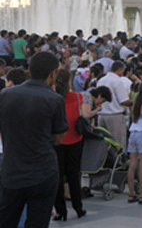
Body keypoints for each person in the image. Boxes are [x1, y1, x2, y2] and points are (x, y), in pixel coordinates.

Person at [0, 52, 68, 228]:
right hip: (43, 171)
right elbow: (59, 138)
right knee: (38, 221)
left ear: (29, 70)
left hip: (12, 170)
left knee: (6, 220)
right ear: (53, 73)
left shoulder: (5, 95)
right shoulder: (55, 99)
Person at [52, 69, 87, 221]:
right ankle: (78, 207)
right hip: (75, 139)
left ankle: (60, 210)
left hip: (57, 141)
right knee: (74, 174)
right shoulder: (77, 97)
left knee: (58, 176)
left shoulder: (53, 98)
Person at [97, 60, 132, 149]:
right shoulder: (117, 81)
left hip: (101, 114)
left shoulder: (101, 80)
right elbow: (123, 100)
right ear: (119, 70)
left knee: (104, 143)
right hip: (114, 115)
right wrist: (134, 102)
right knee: (118, 143)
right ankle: (119, 162)